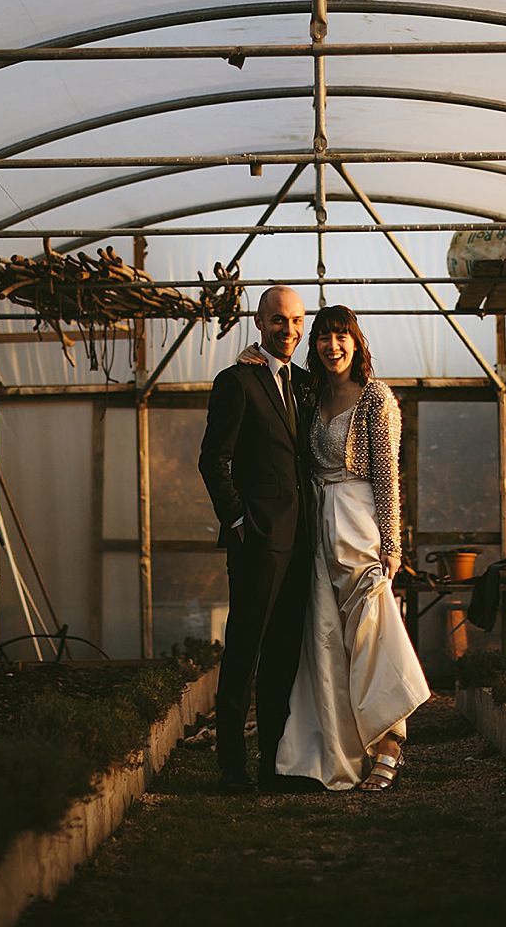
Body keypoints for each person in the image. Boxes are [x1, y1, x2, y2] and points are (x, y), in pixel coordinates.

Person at [272, 305, 431, 791]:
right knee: (326, 640)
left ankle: (389, 744)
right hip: (318, 526)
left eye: (341, 337)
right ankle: (337, 750)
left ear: (357, 343)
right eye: (322, 337)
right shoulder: (311, 392)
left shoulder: (376, 399)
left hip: (360, 525)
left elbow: (387, 479)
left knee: (371, 634)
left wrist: (393, 545)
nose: (331, 346)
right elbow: (272, 378)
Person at [198, 285, 314, 795]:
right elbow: (212, 461)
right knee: (244, 655)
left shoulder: (307, 385)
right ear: (258, 323)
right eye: (276, 320)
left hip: (302, 542)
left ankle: (273, 767)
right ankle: (231, 769)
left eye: (294, 321)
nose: (286, 330)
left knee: (284, 658)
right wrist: (241, 522)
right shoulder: (237, 382)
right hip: (258, 543)